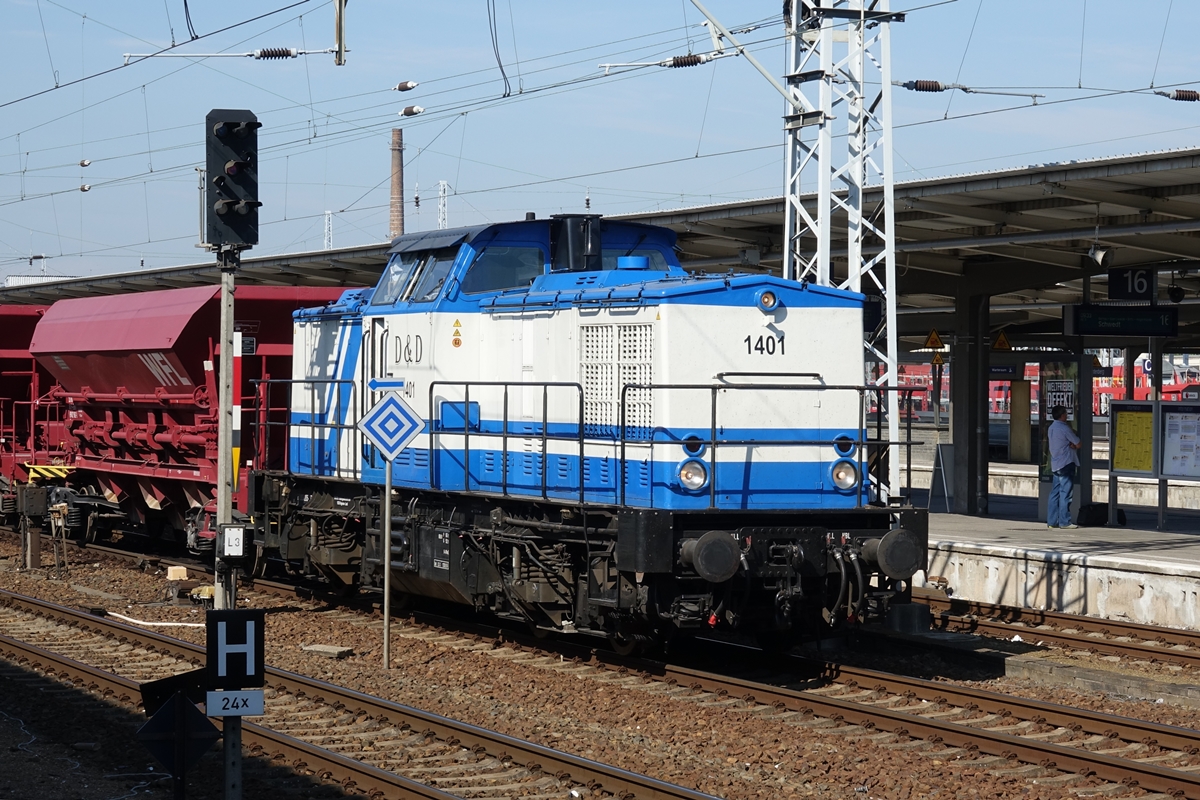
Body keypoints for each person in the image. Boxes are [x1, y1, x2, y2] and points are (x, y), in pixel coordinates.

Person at [1047, 405, 1081, 529]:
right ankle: (1064, 521)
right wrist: (1072, 444)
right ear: (1062, 415)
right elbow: (1078, 443)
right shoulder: (1065, 428)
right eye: (1065, 413)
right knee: (1066, 493)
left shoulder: (1051, 428)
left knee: (1054, 493)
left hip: (1056, 464)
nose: (1067, 415)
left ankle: (1051, 521)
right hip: (1066, 463)